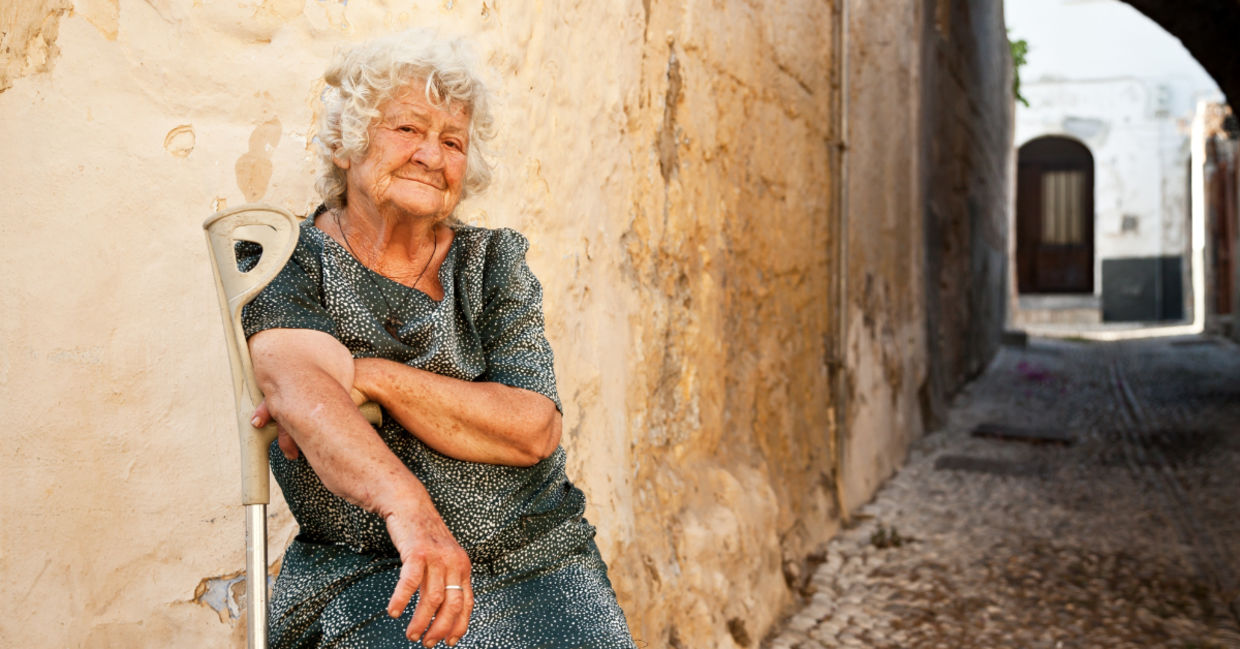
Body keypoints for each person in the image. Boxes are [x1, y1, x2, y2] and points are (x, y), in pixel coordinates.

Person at [241, 30, 637, 649]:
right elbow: (299, 387)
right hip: (377, 571)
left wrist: (369, 376)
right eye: (407, 129)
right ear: (347, 146)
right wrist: (412, 514)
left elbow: (533, 428)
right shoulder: (286, 260)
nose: (432, 154)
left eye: (452, 141)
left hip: (542, 559)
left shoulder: (492, 261)